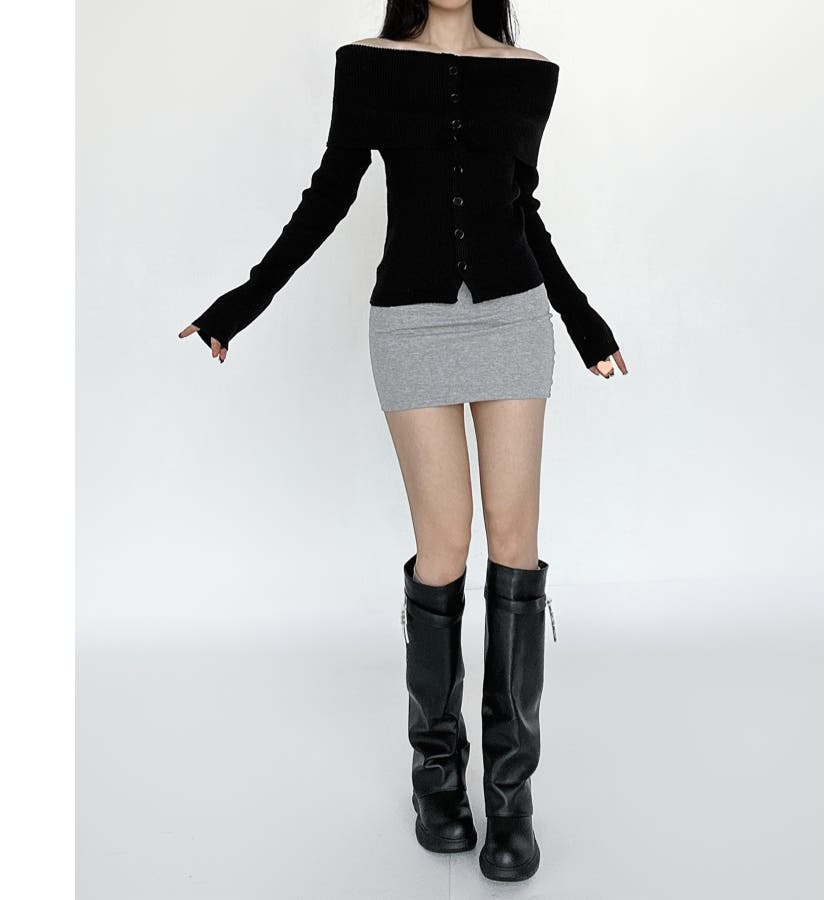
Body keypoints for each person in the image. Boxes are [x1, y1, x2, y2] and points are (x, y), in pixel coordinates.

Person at [179, 0, 628, 884]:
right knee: (444, 546)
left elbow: (523, 209)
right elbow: (330, 193)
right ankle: (437, 780)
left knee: (516, 544)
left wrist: (581, 321)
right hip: (411, 325)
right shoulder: (369, 63)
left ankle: (511, 799)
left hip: (512, 317)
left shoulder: (530, 74)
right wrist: (243, 302)